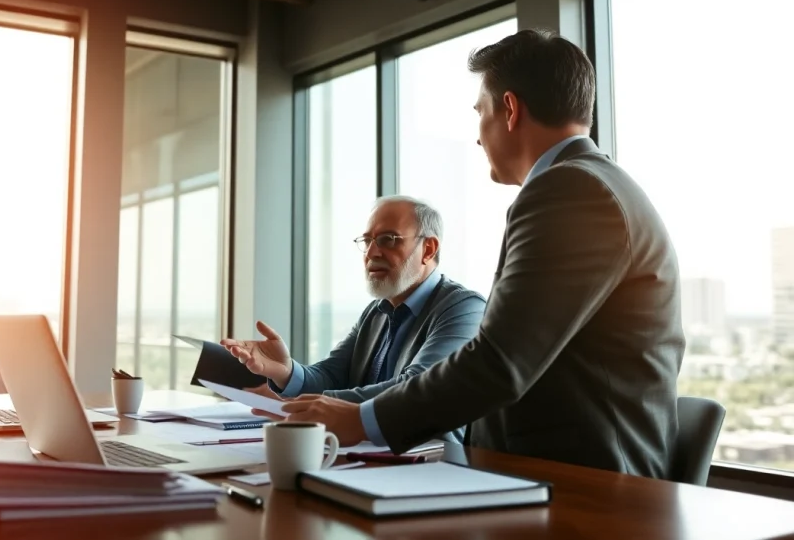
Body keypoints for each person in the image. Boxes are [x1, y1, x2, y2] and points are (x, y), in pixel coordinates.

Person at [273, 29, 685, 479]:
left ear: (509, 110)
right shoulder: (591, 184)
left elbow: (498, 363)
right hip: (549, 475)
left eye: (480, 113)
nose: (477, 136)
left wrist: (361, 420)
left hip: (585, 487)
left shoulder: (570, 190)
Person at [221, 196, 485, 441]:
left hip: (432, 462)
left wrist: (309, 405)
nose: (372, 253)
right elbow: (332, 376)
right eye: (367, 241)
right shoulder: (375, 312)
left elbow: (416, 389)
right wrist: (287, 372)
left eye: (388, 239)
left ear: (428, 248)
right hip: (369, 457)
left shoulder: (464, 309)